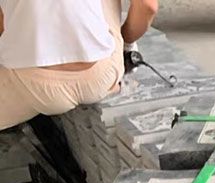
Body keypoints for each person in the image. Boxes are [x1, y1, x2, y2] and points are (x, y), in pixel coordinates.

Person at [0, 0, 158, 131]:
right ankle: (113, 56)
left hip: (32, 83)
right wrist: (127, 43)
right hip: (99, 75)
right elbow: (147, 6)